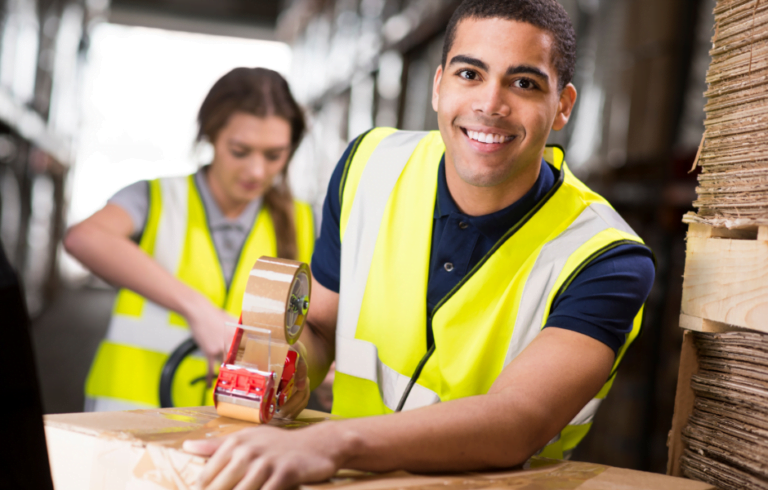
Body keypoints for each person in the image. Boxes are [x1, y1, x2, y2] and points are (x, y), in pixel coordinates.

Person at [184, 1, 656, 488]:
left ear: (563, 106)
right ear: (438, 86)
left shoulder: (607, 257)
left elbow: (519, 418)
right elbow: (322, 328)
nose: (490, 103)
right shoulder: (368, 167)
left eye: (524, 83)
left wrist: (329, 443)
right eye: (470, 74)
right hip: (346, 480)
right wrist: (292, 369)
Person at [64, 67, 315, 411]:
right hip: (133, 418)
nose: (257, 171)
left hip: (237, 428)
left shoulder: (302, 221)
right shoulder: (157, 197)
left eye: (274, 155)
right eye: (240, 151)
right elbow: (83, 239)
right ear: (211, 137)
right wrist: (198, 310)